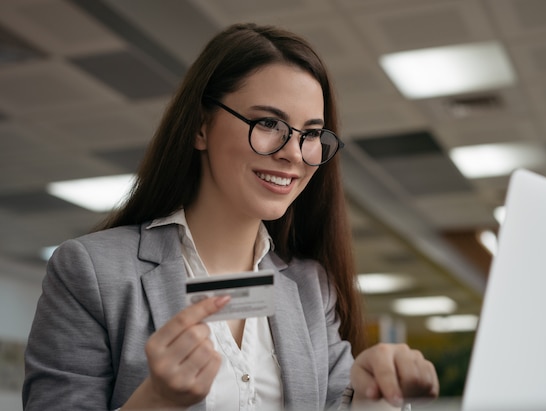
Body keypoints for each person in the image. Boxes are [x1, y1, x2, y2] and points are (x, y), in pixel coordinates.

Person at [22, 22, 439, 411]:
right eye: (269, 123)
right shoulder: (91, 271)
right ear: (200, 127)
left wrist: (366, 395)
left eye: (311, 134)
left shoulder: (312, 288)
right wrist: (157, 400)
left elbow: (335, 400)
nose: (293, 152)